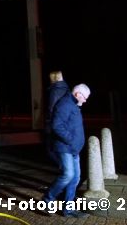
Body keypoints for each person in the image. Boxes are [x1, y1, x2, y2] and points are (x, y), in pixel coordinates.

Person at [42, 84, 91, 218]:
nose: (85, 101)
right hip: (65, 148)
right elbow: (57, 126)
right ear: (78, 94)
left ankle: (68, 209)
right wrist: (71, 140)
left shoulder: (73, 104)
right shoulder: (64, 104)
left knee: (75, 178)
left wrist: (76, 143)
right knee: (68, 175)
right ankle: (47, 199)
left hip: (73, 149)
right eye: (85, 98)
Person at [45, 71, 70, 164]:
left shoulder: (55, 91)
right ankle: (65, 166)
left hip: (54, 123)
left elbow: (51, 109)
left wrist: (48, 122)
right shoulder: (66, 88)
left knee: (50, 149)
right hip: (65, 122)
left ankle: (64, 166)